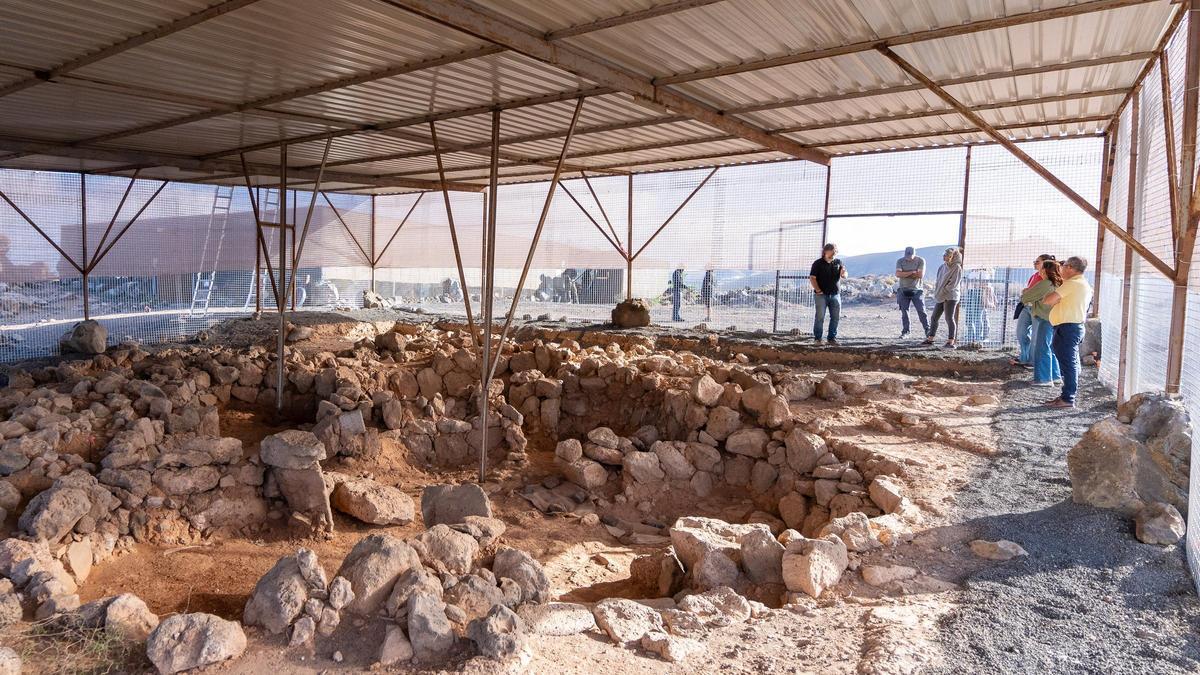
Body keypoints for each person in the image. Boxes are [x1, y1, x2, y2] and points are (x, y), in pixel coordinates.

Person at [1043, 256, 1094, 408]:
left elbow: (1048, 300)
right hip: (1070, 328)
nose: (1061, 269)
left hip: (1067, 328)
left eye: (1063, 266)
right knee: (1068, 363)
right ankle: (1066, 396)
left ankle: (1068, 398)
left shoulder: (1072, 284)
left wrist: (1052, 297)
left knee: (1068, 364)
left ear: (1070, 267)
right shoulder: (1081, 284)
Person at [1020, 259, 1063, 388]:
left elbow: (1025, 297)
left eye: (1042, 268)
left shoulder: (1045, 284)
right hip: (1056, 319)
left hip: (1046, 318)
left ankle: (1043, 379)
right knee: (1051, 348)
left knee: (1042, 348)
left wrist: (1026, 293)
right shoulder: (1058, 283)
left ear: (1045, 270)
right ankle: (1055, 376)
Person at [1012, 255, 1056, 367]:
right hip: (1026, 306)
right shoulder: (1034, 276)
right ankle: (1024, 356)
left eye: (1038, 262)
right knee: (1021, 332)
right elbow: (1028, 293)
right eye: (1035, 261)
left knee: (1037, 336)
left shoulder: (1048, 281)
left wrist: (1028, 293)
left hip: (1038, 308)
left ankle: (1032, 361)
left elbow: (1029, 294)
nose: (1035, 263)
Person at [925, 247, 962, 348]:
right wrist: (938, 291)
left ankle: (951, 341)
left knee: (949, 318)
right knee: (934, 317)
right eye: (944, 254)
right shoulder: (942, 267)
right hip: (941, 295)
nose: (944, 256)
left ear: (952, 257)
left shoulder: (957, 268)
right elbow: (938, 281)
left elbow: (953, 284)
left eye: (946, 255)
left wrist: (943, 291)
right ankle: (930, 339)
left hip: (950, 296)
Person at [809, 243, 847, 344]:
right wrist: (818, 290)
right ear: (826, 251)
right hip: (821, 295)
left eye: (835, 252)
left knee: (835, 317)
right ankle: (818, 339)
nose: (834, 254)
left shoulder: (838, 262)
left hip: (835, 294)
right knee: (820, 317)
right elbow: (812, 278)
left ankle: (831, 338)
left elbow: (845, 274)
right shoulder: (818, 263)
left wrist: (844, 273)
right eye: (832, 252)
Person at [894, 246, 929, 338]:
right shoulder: (900, 261)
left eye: (910, 256)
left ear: (914, 254)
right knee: (904, 312)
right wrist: (912, 272)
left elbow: (920, 275)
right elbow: (898, 274)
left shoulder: (920, 261)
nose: (908, 258)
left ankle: (927, 330)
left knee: (921, 311)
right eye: (907, 255)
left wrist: (904, 273)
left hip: (917, 290)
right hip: (903, 290)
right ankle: (906, 332)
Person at [961, 268, 993, 345]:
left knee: (977, 318)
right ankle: (970, 337)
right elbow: (967, 284)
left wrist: (975, 284)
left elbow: (987, 285)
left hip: (978, 293)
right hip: (970, 293)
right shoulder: (972, 272)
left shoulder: (984, 273)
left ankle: (978, 338)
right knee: (968, 318)